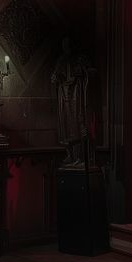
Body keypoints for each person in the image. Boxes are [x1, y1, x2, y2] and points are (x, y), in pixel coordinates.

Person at [51, 38, 91, 168]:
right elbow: (56, 75)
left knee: (75, 124)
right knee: (65, 124)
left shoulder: (78, 59)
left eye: (68, 44)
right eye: (64, 45)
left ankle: (79, 156)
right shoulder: (61, 60)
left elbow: (87, 72)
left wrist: (81, 72)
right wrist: (56, 77)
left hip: (75, 95)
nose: (66, 47)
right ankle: (70, 155)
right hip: (63, 95)